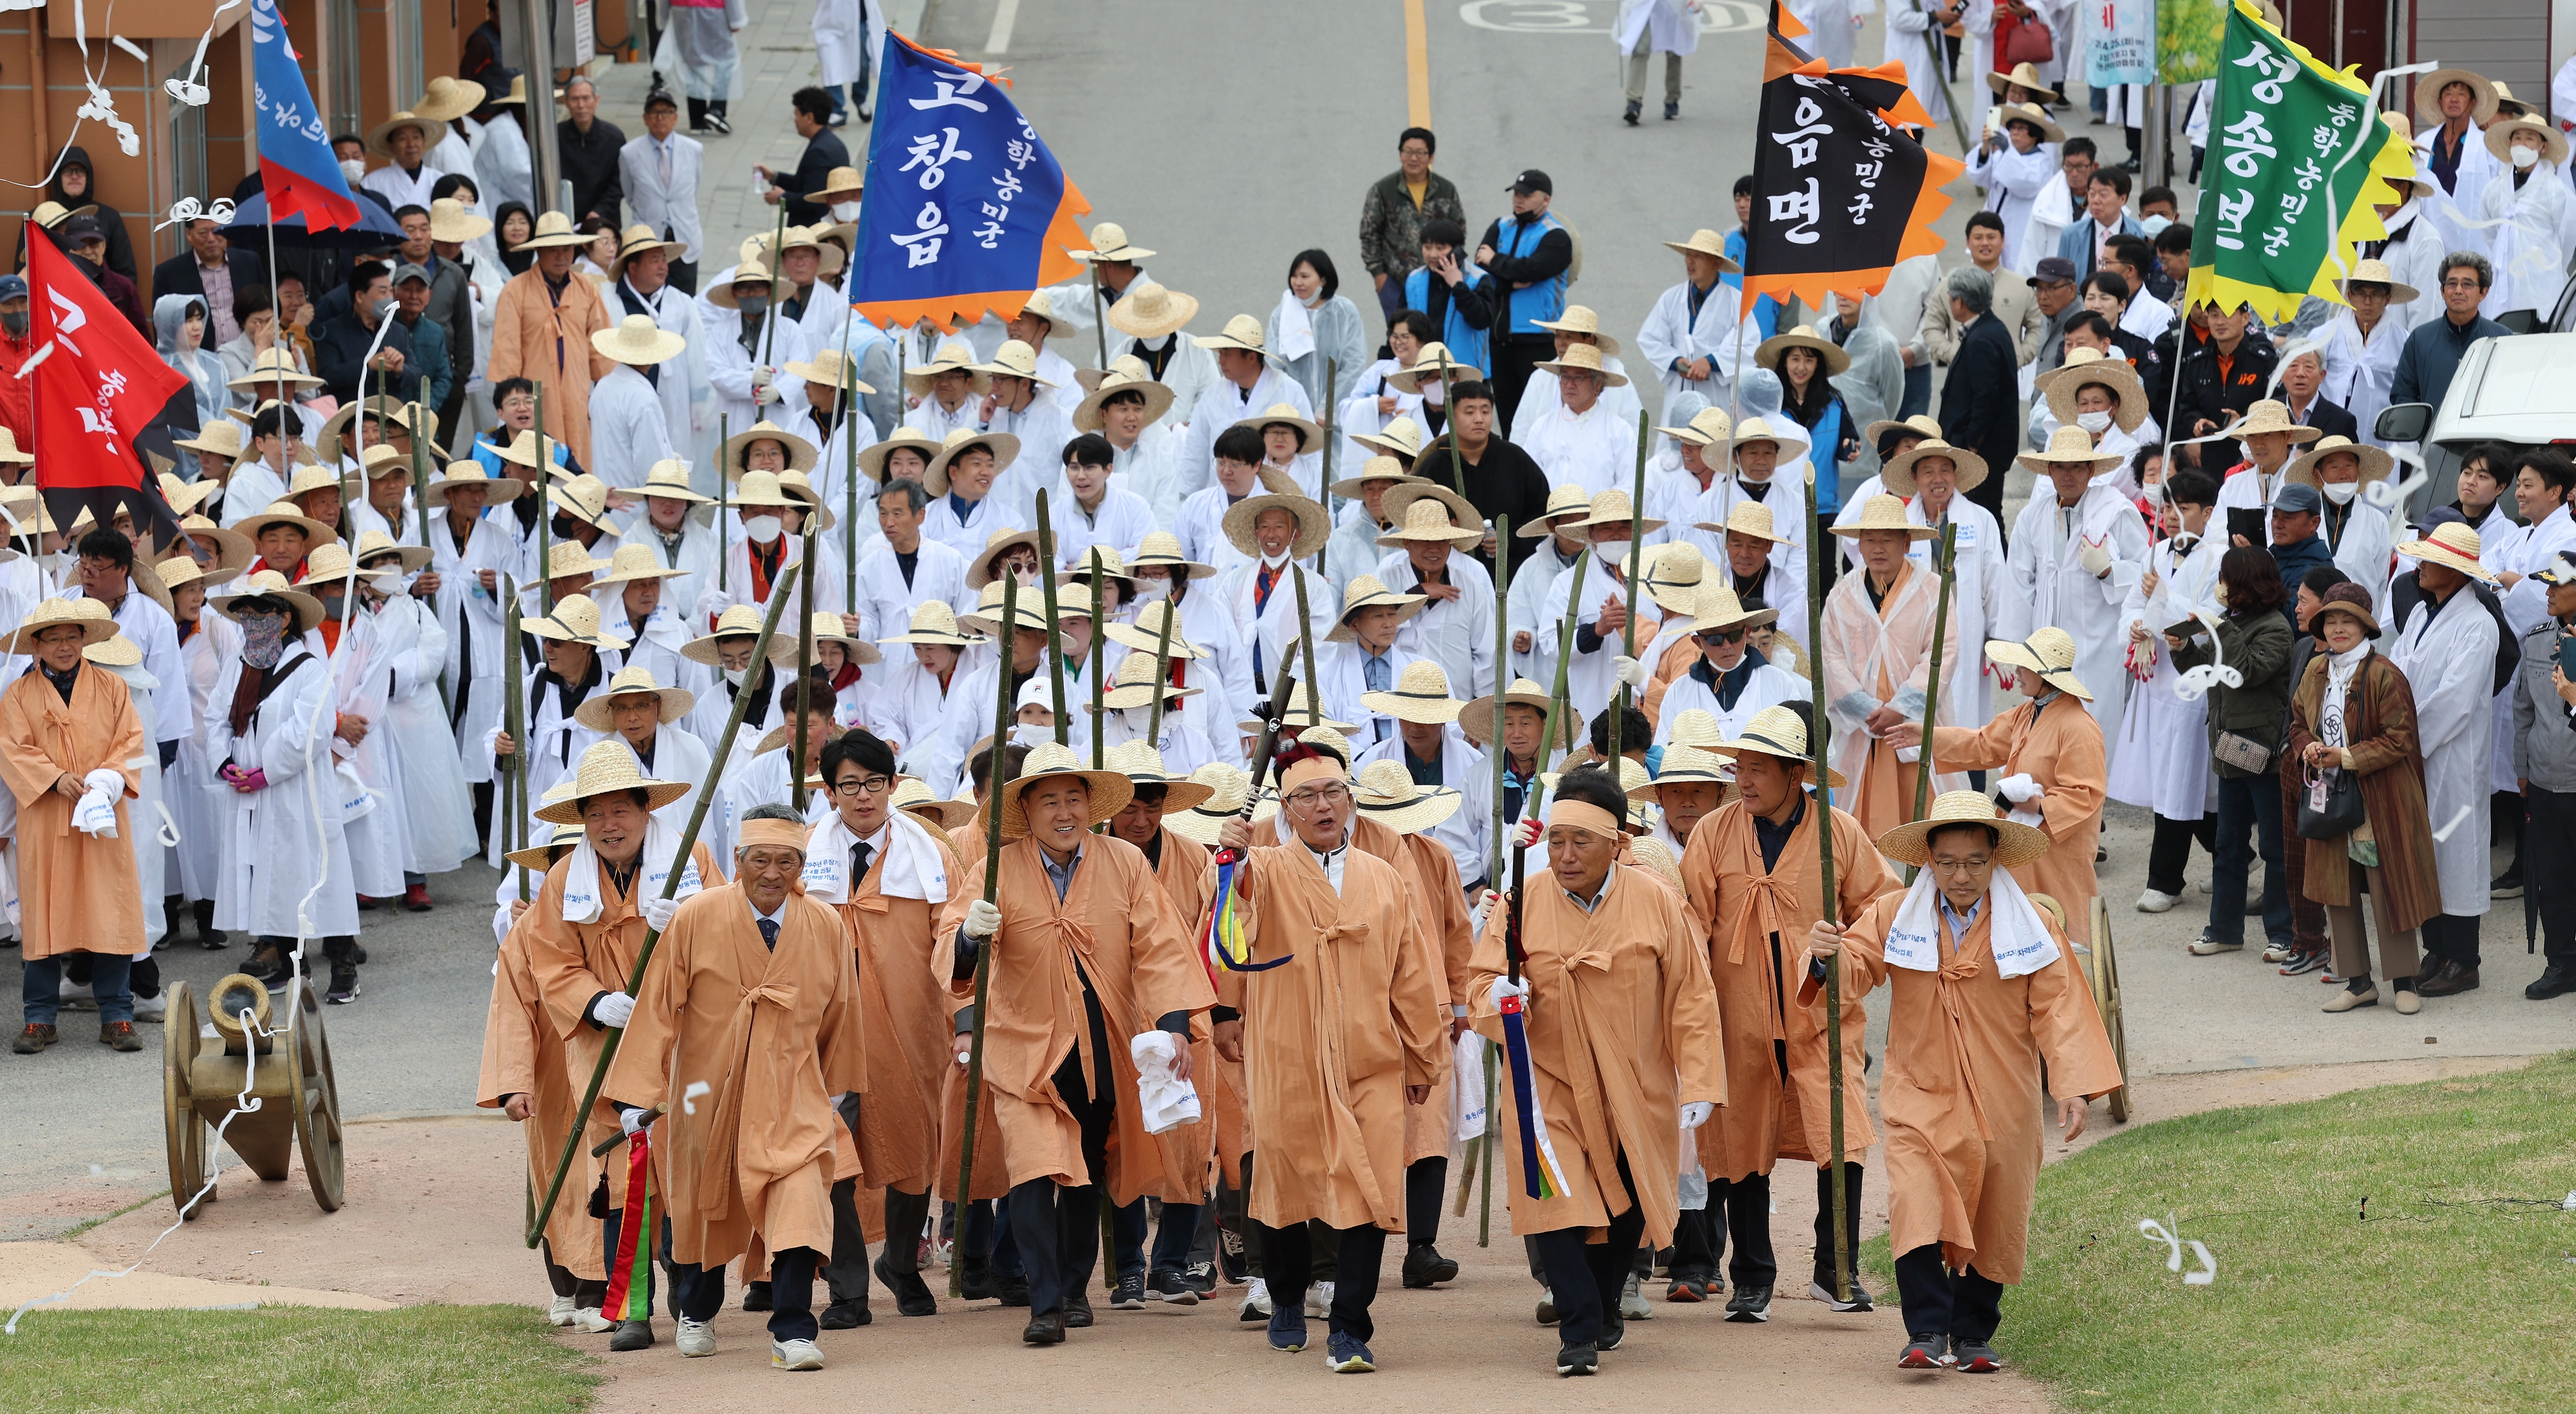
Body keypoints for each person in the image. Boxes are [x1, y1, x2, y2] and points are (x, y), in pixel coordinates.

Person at [1801, 792, 2120, 1374]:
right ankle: (1924, 1329)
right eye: (1947, 861)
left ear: (1996, 858)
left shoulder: (2033, 923)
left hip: (2006, 1095)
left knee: (1998, 1208)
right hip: (1919, 1089)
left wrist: (2072, 1084)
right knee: (1916, 1199)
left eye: (1975, 860)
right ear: (1928, 860)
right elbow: (1856, 971)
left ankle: (1973, 1334)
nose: (1961, 875)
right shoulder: (1896, 914)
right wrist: (1826, 958)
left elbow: (2060, 1007)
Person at [940, 743, 1215, 1344]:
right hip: (1023, 1043)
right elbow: (951, 946)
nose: (1064, 812)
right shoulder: (997, 864)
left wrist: (1172, 1022)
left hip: (1101, 1037)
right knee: (1035, 1169)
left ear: (1090, 806)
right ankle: (1045, 1304)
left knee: (1086, 1168)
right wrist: (968, 934)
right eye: (1049, 801)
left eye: (1074, 799)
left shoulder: (1124, 861)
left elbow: (1161, 943)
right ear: (1026, 810)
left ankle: (1071, 1286)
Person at [1462, 763, 1719, 1375]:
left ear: (1616, 845)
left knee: (1625, 1203)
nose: (1566, 854)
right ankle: (1577, 1329)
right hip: (1548, 1081)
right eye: (1556, 840)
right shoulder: (1522, 900)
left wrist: (1701, 1078)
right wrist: (1499, 994)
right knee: (1557, 1200)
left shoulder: (1656, 899)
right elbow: (1480, 983)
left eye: (1581, 841)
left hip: (1636, 1083)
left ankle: (1604, 1305)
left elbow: (1693, 995)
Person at [1209, 735, 1442, 1371]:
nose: (1322, 805)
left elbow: (1412, 973)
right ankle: (1285, 1296)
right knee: (1285, 1187)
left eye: (1333, 791)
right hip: (1286, 1054)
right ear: (1284, 809)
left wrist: (1424, 1056)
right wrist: (1226, 862)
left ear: (1351, 799)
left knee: (1367, 1192)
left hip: (1369, 1057)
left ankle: (1350, 1326)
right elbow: (1227, 932)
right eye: (1305, 795)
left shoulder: (1384, 877)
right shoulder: (1262, 868)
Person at [596, 797, 855, 1368]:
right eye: (760, 859)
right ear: (738, 858)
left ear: (802, 865)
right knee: (702, 1207)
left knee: (802, 1201)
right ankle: (696, 1307)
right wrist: (636, 1095)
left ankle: (793, 1329)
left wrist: (833, 1085)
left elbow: (841, 1012)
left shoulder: (825, 925)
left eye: (786, 861)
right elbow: (658, 1008)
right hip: (704, 1091)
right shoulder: (698, 915)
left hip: (794, 1091)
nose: (772, 873)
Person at [1676, 705, 1895, 1315]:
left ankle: (1837, 1268)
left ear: (1796, 774)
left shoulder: (1839, 832)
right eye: (1739, 768)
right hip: (1738, 1014)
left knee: (1842, 1133)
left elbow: (1882, 910)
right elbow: (1689, 915)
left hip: (1819, 1011)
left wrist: (1843, 951)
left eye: (1758, 769)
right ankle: (1751, 1275)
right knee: (1743, 1142)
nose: (1744, 781)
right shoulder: (1715, 832)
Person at [804, 729, 960, 1324]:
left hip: (912, 1027)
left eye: (874, 782)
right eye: (849, 785)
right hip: (826, 1031)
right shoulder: (804, 854)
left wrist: (964, 1006)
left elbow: (952, 939)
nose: (863, 795)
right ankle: (846, 1287)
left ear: (893, 785)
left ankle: (900, 1262)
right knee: (831, 1151)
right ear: (829, 792)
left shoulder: (931, 853)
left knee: (912, 1150)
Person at [201, 572, 365, 1000]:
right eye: (247, 613)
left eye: (264, 612)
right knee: (270, 874)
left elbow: (310, 730)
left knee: (316, 872)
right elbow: (215, 718)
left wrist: (265, 770)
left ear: (286, 617)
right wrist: (227, 764)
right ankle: (290, 961)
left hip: (297, 789)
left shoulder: (310, 668)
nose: (254, 621)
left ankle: (344, 965)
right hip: (250, 790)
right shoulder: (238, 665)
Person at [2286, 584, 2443, 1015]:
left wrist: (2347, 756)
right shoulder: (2316, 669)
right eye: (2331, 621)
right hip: (2327, 793)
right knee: (2336, 887)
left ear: (2365, 626)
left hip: (2381, 795)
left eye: (2347, 621)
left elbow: (2400, 738)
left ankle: (2404, 981)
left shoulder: (2384, 673)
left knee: (2387, 884)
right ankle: (2357, 982)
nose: (2338, 629)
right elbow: (2298, 721)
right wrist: (2309, 748)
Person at [3, 600, 147, 1053]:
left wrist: (105, 780)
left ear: (84, 639)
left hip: (101, 816)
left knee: (111, 910)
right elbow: (12, 749)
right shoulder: (17, 695)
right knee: (44, 913)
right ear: (36, 646)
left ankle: (117, 1014)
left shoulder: (112, 687)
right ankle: (40, 1017)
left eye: (72, 636)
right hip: (46, 818)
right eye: (54, 638)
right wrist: (54, 778)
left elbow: (130, 742)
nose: (65, 646)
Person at [2386, 523, 2501, 997]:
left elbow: (2455, 699)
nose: (2419, 568)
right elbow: (2396, 667)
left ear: (2454, 571)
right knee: (2425, 852)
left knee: (2457, 852)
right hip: (2415, 749)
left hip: (2451, 753)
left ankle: (2464, 958)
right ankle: (2435, 947)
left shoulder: (2479, 625)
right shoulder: (2417, 615)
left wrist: (2405, 743)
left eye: (2428, 561)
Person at [2162, 546, 2295, 954]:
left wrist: (2220, 627)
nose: (2220, 587)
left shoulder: (2276, 628)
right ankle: (2223, 930)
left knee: (2274, 848)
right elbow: (2203, 669)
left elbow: (2246, 673)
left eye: (2226, 579)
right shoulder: (2234, 623)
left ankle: (2282, 934)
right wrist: (2181, 647)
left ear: (2244, 584)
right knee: (2229, 845)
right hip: (2230, 748)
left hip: (2265, 753)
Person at [2113, 471, 2224, 913]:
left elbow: (2212, 618)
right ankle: (2234, 854)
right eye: (2167, 509)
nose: (2173, 518)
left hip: (2192, 682)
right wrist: (2136, 626)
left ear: (2208, 512)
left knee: (2181, 778)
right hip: (2154, 679)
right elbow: (2131, 607)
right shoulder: (2155, 551)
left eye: (2184, 510)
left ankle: (2165, 878)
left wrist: (2164, 602)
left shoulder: (2219, 558)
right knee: (2173, 779)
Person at [490, 211, 615, 467]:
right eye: (553, 250)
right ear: (539, 252)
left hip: (578, 394)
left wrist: (610, 392)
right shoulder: (515, 290)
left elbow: (601, 346)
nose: (561, 257)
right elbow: (507, 351)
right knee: (536, 468)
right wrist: (513, 404)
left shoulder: (586, 288)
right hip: (533, 401)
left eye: (567, 249)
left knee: (579, 465)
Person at [2512, 554, 2576, 1000]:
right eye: (2546, 585)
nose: (2548, 593)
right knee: (2552, 877)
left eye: (2558, 585)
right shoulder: (2536, 640)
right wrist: (2522, 770)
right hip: (2545, 782)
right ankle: (2562, 962)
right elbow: (2523, 712)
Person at [1474, 171, 1575, 428]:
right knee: (1508, 419)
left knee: (1540, 418)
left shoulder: (1557, 237)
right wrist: (1512, 277)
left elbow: (1531, 271)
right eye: (1517, 194)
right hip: (1499, 339)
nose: (1519, 200)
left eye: (1527, 195)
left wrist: (1497, 263)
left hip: (1537, 339)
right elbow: (1481, 275)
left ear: (1546, 200)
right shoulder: (1500, 226)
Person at [1936, 266, 2023, 531]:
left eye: (1951, 297)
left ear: (1960, 301)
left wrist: (1971, 446)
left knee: (1984, 520)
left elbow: (1986, 399)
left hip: (1983, 453)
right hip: (1986, 450)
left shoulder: (1983, 338)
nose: (1950, 302)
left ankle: (2002, 571)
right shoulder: (1990, 329)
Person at [1636, 229, 1757, 405]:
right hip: (1679, 390)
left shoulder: (1736, 301)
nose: (1690, 261)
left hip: (1716, 394)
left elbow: (1750, 346)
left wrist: (1711, 362)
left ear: (1716, 263)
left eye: (1698, 256)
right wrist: (1676, 361)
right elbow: (1650, 338)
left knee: (1714, 429)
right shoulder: (1671, 298)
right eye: (1688, 255)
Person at [1358, 129, 1466, 322]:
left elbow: (1459, 232)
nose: (1413, 158)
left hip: (1438, 278)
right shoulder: (1383, 190)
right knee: (1401, 337)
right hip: (1395, 281)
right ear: (1400, 154)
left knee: (1434, 335)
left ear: (1431, 157)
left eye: (1421, 153)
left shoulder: (1446, 190)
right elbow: (1369, 235)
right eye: (1408, 151)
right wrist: (1379, 276)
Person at [2389, 253, 2510, 416]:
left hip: (2487, 439)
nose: (2458, 290)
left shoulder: (2502, 339)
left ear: (2483, 292)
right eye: (2452, 284)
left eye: (2467, 284)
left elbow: (2513, 394)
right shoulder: (2420, 339)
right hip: (2435, 440)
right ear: (2442, 290)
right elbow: (2403, 396)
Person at [620, 91, 704, 296]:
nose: (660, 118)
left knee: (685, 299)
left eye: (666, 112)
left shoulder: (694, 149)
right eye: (655, 112)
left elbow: (694, 186)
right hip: (649, 236)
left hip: (684, 237)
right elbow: (630, 194)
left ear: (675, 118)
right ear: (645, 118)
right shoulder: (629, 153)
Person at [152, 218, 264, 348]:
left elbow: (265, 308)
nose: (211, 238)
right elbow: (163, 327)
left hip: (248, 354)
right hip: (197, 359)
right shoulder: (169, 273)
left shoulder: (249, 262)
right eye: (203, 233)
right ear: (189, 234)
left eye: (217, 230)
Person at [756, 88, 851, 228]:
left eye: (797, 115)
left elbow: (813, 199)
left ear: (809, 118)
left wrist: (783, 198)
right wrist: (774, 177)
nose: (795, 120)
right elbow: (809, 183)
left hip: (813, 229)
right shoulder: (834, 143)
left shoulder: (819, 152)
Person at [554, 77, 625, 228]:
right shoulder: (555, 136)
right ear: (566, 103)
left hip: (605, 220)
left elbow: (620, 182)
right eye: (575, 99)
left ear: (596, 100)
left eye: (586, 98)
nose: (581, 105)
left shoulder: (613, 137)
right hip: (567, 221)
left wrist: (599, 211)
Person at [1614, 0, 1696, 124]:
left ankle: (1672, 99)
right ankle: (1634, 101)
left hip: (1673, 5)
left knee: (1674, 51)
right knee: (1640, 49)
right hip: (1644, 4)